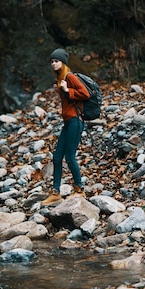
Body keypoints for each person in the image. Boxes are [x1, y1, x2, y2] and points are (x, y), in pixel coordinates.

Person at [41, 48, 90, 206]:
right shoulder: (60, 78)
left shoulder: (70, 77)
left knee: (70, 157)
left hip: (76, 121)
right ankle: (55, 192)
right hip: (68, 122)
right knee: (56, 158)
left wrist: (68, 89)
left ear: (63, 62)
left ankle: (80, 189)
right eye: (52, 62)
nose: (54, 64)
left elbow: (85, 93)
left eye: (57, 61)